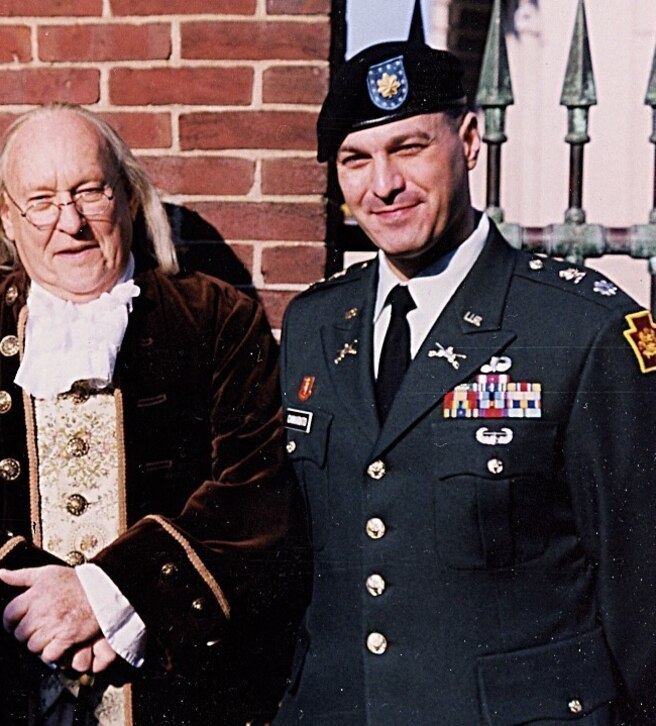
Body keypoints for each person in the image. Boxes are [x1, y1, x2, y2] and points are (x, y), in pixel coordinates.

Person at [0, 103, 306, 725]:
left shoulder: (215, 321)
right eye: (42, 200)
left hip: (179, 692)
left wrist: (108, 597)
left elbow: (255, 491)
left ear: (129, 199)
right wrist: (32, 609)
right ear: (8, 217)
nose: (69, 223)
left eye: (89, 192)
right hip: (3, 691)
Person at [274, 39, 656, 724]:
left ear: (471, 140)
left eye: (409, 148)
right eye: (356, 160)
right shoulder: (315, 326)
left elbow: (642, 591)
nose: (382, 184)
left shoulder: (580, 329)